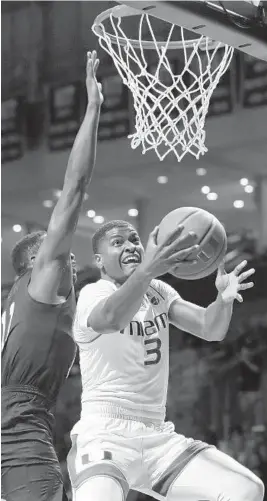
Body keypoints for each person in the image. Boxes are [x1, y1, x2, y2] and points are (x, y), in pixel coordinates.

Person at [67, 220, 265, 501]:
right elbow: (111, 319)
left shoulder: (157, 291)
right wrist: (148, 270)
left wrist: (223, 300)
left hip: (157, 435)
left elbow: (210, 328)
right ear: (99, 261)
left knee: (247, 488)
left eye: (134, 239)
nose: (130, 246)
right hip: (105, 434)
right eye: (118, 242)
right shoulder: (93, 293)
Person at [1, 50, 103, 501]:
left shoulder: (15, 309)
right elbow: (75, 188)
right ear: (33, 264)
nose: (70, 258)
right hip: (18, 440)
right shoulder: (42, 280)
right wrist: (94, 109)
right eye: (60, 253)